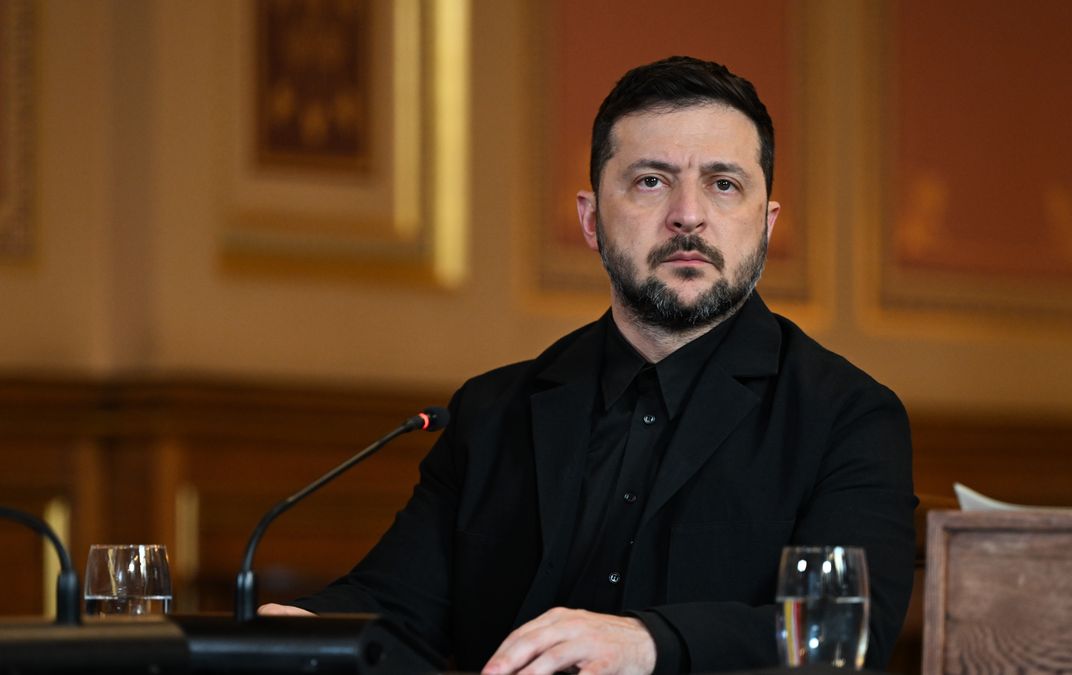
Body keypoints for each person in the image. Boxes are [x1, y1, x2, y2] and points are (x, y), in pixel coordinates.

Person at [261, 55, 916, 674]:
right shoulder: (492, 413)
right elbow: (397, 609)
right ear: (591, 219)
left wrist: (651, 644)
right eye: (651, 181)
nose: (688, 216)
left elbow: (838, 636)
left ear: (766, 225)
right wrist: (299, 631)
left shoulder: (847, 418)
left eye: (723, 185)